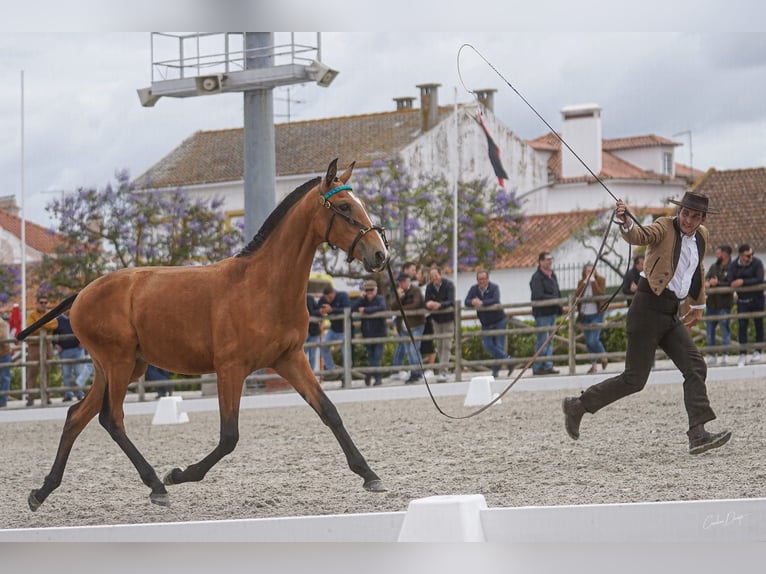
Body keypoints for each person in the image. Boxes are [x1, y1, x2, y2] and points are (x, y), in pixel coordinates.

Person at [562, 193, 731, 455]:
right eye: (685, 213)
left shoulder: (702, 236)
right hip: (647, 308)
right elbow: (640, 235)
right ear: (680, 211)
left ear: (702, 219)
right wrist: (627, 221)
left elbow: (696, 270)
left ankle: (697, 434)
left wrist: (698, 304)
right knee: (634, 380)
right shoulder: (664, 226)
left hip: (671, 312)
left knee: (695, 366)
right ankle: (578, 405)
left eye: (695, 216)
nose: (688, 220)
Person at [464, 269, 513, 378]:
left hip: (498, 320)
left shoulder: (494, 287)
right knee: (488, 346)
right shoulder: (474, 289)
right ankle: (509, 360)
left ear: (488, 279)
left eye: (484, 279)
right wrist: (473, 302)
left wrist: (482, 303)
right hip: (485, 322)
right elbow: (466, 301)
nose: (482, 281)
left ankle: (495, 372)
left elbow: (495, 299)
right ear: (477, 280)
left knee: (498, 346)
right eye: (480, 279)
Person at [729, 243, 764, 367]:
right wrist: (740, 283)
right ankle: (742, 353)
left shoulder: (757, 263)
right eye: (747, 256)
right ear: (740, 255)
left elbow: (760, 279)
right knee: (742, 326)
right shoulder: (733, 265)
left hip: (757, 299)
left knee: (758, 324)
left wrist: (743, 281)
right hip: (742, 301)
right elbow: (731, 281)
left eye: (751, 255)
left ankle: (758, 350)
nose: (750, 258)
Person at [529, 251, 563, 375]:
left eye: (551, 259)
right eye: (547, 259)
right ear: (541, 261)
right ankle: (538, 366)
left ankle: (548, 365)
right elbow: (538, 295)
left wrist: (559, 303)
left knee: (550, 340)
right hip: (542, 313)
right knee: (543, 340)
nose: (550, 262)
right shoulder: (537, 277)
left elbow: (557, 290)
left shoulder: (552, 275)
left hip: (552, 311)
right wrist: (554, 300)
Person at [389, 272, 425, 383]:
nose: (401, 284)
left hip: (416, 324)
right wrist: (399, 298)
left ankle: (417, 373)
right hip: (403, 326)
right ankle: (414, 372)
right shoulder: (399, 292)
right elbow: (393, 307)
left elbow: (417, 304)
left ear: (408, 281)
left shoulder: (416, 290)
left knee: (414, 349)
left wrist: (402, 308)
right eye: (400, 282)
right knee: (409, 351)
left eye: (403, 282)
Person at [351, 279, 388, 386]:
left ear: (376, 290)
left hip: (379, 333)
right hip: (367, 333)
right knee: (371, 356)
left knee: (377, 356)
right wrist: (360, 298)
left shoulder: (380, 299)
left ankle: (370, 375)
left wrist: (366, 310)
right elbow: (353, 308)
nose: (369, 292)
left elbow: (382, 307)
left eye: (371, 290)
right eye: (367, 290)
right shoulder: (363, 300)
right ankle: (376, 378)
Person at [24, 295, 59, 406]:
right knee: (32, 371)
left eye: (45, 303)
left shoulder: (50, 314)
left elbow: (54, 324)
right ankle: (30, 397)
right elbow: (31, 326)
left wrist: (39, 324)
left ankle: (47, 396)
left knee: (46, 371)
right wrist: (45, 325)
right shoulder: (31, 314)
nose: (43, 305)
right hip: (34, 346)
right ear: (36, 303)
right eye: (41, 302)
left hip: (47, 345)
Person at [576, 262, 609, 374]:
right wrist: (584, 284)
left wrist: (593, 281)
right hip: (584, 315)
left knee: (593, 339)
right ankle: (593, 365)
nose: (590, 273)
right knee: (588, 342)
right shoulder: (581, 282)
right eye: (588, 271)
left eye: (592, 270)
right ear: (584, 272)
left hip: (597, 314)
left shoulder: (600, 280)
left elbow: (600, 294)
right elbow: (577, 296)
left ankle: (603, 356)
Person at [424, 266, 455, 382]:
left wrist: (439, 305)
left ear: (440, 274)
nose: (434, 279)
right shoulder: (429, 287)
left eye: (435, 276)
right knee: (439, 345)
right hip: (436, 319)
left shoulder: (449, 285)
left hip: (448, 319)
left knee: (446, 345)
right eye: (431, 277)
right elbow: (426, 301)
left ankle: (443, 371)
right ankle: (441, 369)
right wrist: (429, 304)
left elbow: (451, 301)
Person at [704, 245, 733, 365]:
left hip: (724, 304)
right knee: (709, 330)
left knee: (724, 329)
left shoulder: (732, 267)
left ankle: (725, 354)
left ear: (725, 254)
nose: (716, 254)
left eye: (719, 252)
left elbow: (731, 283)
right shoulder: (713, 266)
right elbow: (707, 278)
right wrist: (707, 282)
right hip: (711, 303)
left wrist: (718, 283)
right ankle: (711, 354)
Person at [391, 262, 418, 380]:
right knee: (403, 345)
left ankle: (402, 369)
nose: (414, 272)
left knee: (407, 346)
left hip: (409, 321)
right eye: (412, 269)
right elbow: (393, 305)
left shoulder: (412, 287)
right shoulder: (400, 286)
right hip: (401, 321)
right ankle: (398, 369)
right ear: (406, 270)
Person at [318, 285, 351, 379]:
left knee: (346, 352)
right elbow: (316, 309)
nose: (328, 299)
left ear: (334, 293)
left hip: (345, 330)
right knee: (323, 345)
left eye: (329, 297)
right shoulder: (323, 299)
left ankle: (346, 375)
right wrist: (320, 311)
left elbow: (348, 309)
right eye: (326, 297)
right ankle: (331, 369)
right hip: (333, 329)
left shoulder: (343, 296)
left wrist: (332, 310)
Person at [54, 310, 86, 402]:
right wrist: (56, 345)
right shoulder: (58, 320)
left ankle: (80, 393)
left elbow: (83, 329)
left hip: (77, 349)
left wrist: (83, 341)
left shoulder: (76, 317)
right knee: (66, 374)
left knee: (79, 372)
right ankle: (68, 394)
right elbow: (53, 334)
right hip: (64, 351)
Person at [305, 293, 322, 372]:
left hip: (313, 331)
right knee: (302, 355)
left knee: (312, 356)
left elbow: (318, 311)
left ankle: (311, 374)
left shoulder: (310, 298)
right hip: (304, 332)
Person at [0, 315, 12, 408]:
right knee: (5, 378)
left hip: (4, 353)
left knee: (5, 378)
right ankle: (3, 401)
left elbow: (2, 337)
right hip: (5, 353)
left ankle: (3, 400)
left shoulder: (2, 323)